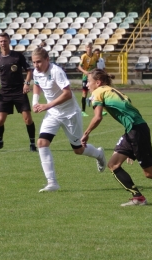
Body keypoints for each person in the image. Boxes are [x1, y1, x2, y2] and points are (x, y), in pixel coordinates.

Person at [81, 68, 152, 206]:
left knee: (150, 173)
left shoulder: (98, 92)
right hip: (134, 130)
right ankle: (138, 197)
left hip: (135, 131)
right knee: (113, 164)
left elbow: (97, 117)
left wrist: (86, 133)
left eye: (89, 82)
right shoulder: (112, 90)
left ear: (98, 82)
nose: (87, 85)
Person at [31, 46, 106, 192]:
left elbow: (68, 94)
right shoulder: (36, 72)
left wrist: (47, 105)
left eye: (39, 62)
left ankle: (98, 154)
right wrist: (35, 102)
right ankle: (52, 182)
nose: (36, 65)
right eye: (34, 62)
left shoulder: (56, 71)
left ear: (47, 59)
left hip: (70, 114)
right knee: (41, 142)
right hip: (53, 113)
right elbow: (37, 85)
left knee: (78, 149)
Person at [0, 32, 37, 152]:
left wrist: (26, 84)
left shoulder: (18, 56)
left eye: (5, 40)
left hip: (19, 91)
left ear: (9, 41)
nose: (3, 43)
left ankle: (32, 143)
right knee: (0, 120)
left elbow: (29, 71)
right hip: (5, 92)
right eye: (1, 41)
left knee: (27, 118)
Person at [78, 42, 99, 117]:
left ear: (92, 48)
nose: (89, 48)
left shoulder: (95, 56)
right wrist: (85, 72)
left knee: (95, 93)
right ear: (85, 48)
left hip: (92, 77)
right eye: (87, 47)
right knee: (85, 93)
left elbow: (96, 66)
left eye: (90, 47)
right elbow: (79, 67)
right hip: (85, 77)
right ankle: (83, 111)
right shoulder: (84, 56)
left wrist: (95, 73)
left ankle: (97, 111)